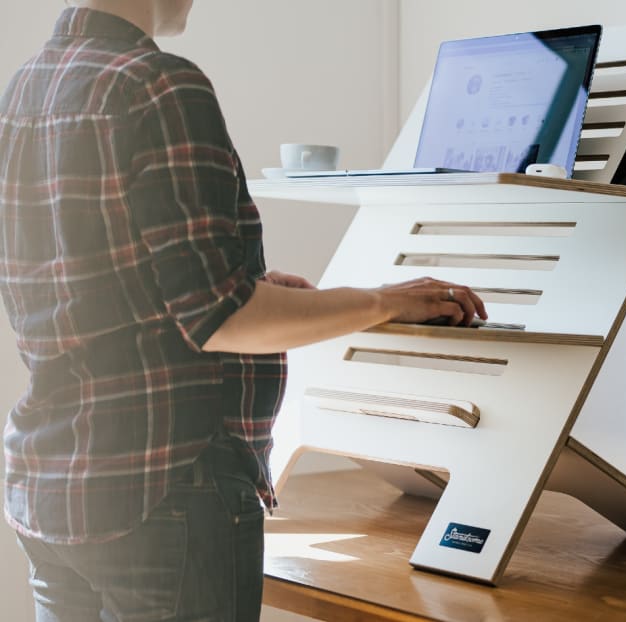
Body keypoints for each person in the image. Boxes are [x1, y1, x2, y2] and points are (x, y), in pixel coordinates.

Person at [0, 1, 487, 620]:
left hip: (53, 486)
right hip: (167, 490)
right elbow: (224, 318)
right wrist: (386, 303)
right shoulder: (158, 84)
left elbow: (86, 279)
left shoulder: (31, 83)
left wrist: (252, 286)